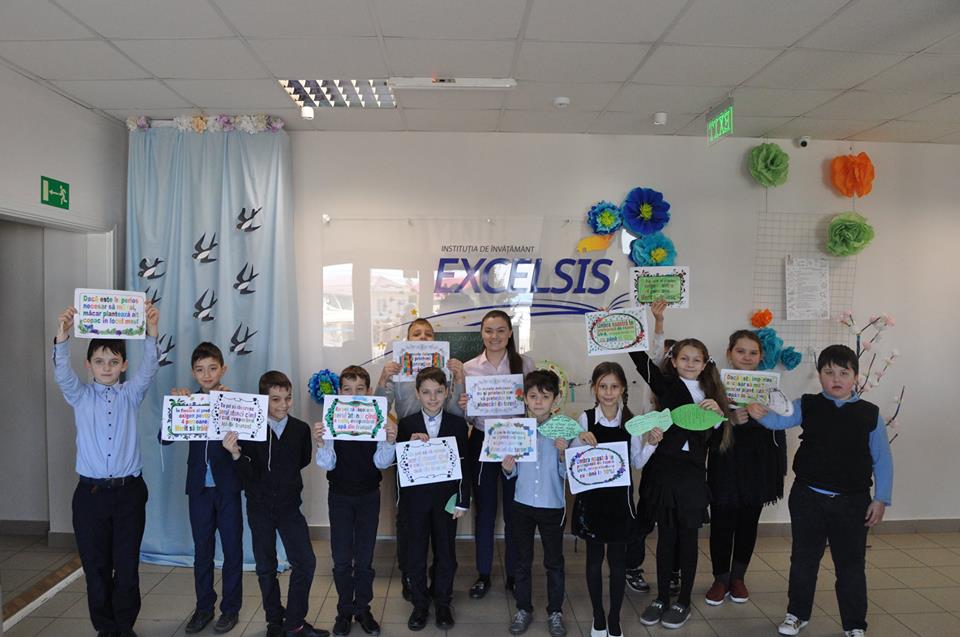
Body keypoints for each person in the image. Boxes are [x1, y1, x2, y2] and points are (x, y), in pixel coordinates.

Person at [747, 344, 893, 637]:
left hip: (853, 503)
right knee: (803, 560)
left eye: (843, 373)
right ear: (819, 375)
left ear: (855, 377)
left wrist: (881, 499)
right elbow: (779, 420)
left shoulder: (870, 414)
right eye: (829, 372)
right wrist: (757, 413)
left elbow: (883, 459)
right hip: (808, 498)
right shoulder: (807, 404)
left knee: (851, 565)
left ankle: (854, 624)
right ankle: (796, 614)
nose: (836, 378)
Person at [53, 302, 160, 637]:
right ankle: (106, 629)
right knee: (96, 569)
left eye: (114, 361)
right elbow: (62, 374)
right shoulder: (79, 396)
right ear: (88, 364)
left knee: (126, 568)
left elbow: (149, 369)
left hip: (129, 493)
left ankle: (124, 628)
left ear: (124, 365)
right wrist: (63, 336)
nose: (106, 367)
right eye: (99, 361)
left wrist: (151, 331)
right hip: (91, 495)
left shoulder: (131, 394)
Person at [630, 340, 730, 629]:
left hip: (692, 476)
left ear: (705, 364)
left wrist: (717, 415)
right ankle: (662, 597)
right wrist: (627, 336)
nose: (689, 364)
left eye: (696, 359)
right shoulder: (668, 386)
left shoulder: (712, 394)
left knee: (688, 540)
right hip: (665, 471)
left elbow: (717, 441)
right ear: (673, 361)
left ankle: (683, 600)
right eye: (684, 358)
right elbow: (644, 365)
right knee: (665, 539)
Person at [223, 371, 328, 637]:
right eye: (275, 399)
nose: (283, 405)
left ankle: (294, 622)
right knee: (265, 566)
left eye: (288, 398)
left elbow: (303, 460)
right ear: (262, 400)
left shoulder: (300, 430)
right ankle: (274, 620)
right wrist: (235, 454)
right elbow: (246, 475)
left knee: (305, 562)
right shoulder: (249, 430)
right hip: (259, 508)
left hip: (289, 506)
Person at [375, 317, 465, 600]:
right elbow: (378, 409)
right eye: (417, 334)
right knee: (409, 525)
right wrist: (383, 379)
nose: (423, 338)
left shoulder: (446, 372)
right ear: (408, 340)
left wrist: (460, 379)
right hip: (408, 446)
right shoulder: (397, 370)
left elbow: (457, 414)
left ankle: (440, 587)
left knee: (441, 530)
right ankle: (410, 578)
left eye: (428, 334)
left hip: (441, 455)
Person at [573, 362, 662, 637]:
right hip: (591, 503)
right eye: (603, 386)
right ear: (594, 388)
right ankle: (598, 617)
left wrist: (652, 444)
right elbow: (574, 461)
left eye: (614, 386)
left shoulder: (631, 422)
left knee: (618, 562)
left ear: (623, 388)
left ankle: (614, 618)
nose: (608, 392)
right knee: (593, 560)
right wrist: (579, 440)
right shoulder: (586, 418)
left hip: (620, 504)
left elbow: (637, 462)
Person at [164, 342, 243, 634]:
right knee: (202, 552)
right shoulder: (189, 402)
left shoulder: (235, 402)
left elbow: (250, 443)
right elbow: (164, 438)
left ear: (223, 369)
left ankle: (230, 609)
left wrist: (234, 407)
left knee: (233, 550)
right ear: (193, 373)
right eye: (200, 370)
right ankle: (204, 608)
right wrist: (175, 407)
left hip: (228, 488)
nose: (207, 374)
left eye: (212, 368)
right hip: (199, 489)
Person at [704, 330, 787, 606]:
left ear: (761, 356)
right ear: (730, 353)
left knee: (748, 523)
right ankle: (720, 579)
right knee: (722, 524)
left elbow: (781, 425)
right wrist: (729, 418)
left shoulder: (771, 388)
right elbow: (703, 432)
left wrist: (764, 414)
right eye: (741, 351)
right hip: (725, 465)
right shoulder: (714, 387)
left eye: (753, 352)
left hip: (758, 466)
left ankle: (738, 578)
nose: (747, 357)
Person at [314, 366, 397, 637]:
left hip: (368, 496)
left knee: (364, 559)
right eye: (347, 390)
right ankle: (343, 611)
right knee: (341, 559)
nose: (353, 395)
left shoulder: (376, 419)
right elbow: (327, 464)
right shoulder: (332, 419)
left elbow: (381, 463)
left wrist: (390, 441)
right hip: (339, 496)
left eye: (359, 389)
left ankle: (363, 609)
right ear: (339, 392)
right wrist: (322, 442)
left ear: (369, 392)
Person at [461, 310, 536, 599]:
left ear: (510, 333)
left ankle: (515, 574)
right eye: (489, 331)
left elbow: (534, 405)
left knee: (515, 511)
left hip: (515, 440)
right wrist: (466, 406)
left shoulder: (525, 364)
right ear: (482, 334)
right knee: (485, 511)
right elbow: (468, 418)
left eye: (501, 330)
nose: (495, 336)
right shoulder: (469, 368)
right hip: (482, 440)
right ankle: (483, 573)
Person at [394, 366, 471, 631]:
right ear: (417, 393)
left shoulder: (457, 424)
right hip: (414, 502)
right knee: (415, 554)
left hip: (446, 500)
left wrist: (463, 499)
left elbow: (464, 465)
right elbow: (398, 466)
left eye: (438, 392)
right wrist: (408, 445)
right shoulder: (406, 424)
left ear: (447, 392)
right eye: (426, 392)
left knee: (446, 553)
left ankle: (442, 602)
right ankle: (419, 604)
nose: (433, 398)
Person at [504, 370, 569, 637]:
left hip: (552, 505)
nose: (539, 402)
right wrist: (508, 468)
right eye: (533, 396)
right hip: (522, 504)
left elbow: (569, 475)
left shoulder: (564, 428)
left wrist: (564, 454)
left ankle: (555, 612)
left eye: (545, 396)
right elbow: (512, 472)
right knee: (522, 560)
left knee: (554, 562)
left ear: (555, 399)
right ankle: (523, 608)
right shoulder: (518, 429)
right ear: (525, 399)